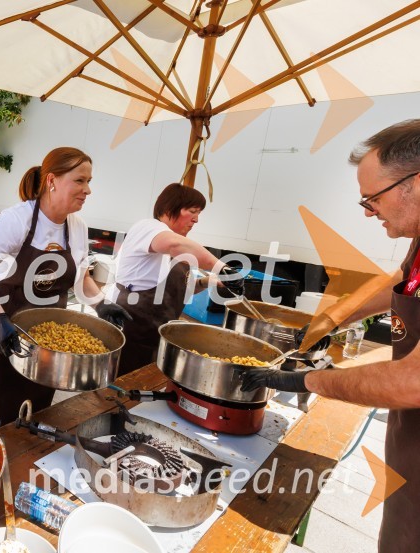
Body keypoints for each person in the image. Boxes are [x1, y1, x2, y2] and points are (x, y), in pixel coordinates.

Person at [241, 119, 420, 553]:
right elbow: (402, 276)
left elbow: (411, 382)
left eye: (372, 198)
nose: (367, 211)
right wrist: (333, 317)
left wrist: (306, 380)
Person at [0, 147, 130, 423]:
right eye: (80, 180)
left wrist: (102, 304)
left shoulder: (77, 226)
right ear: (51, 181)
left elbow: (81, 279)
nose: (88, 190)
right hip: (4, 330)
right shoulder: (19, 219)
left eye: (89, 182)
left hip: (47, 344)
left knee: (37, 408)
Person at [108, 183, 244, 374]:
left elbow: (178, 289)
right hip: (132, 325)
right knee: (122, 383)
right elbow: (174, 244)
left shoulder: (174, 245)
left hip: (158, 332)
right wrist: (222, 268)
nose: (196, 220)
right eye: (192, 211)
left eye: (199, 213)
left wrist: (207, 282)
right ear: (170, 208)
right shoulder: (149, 228)